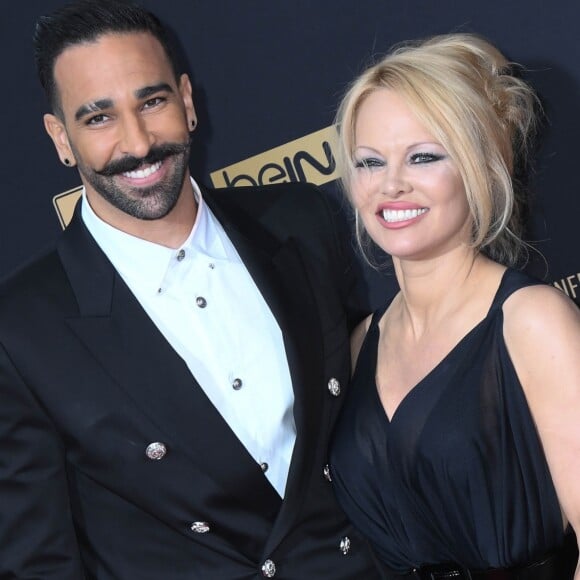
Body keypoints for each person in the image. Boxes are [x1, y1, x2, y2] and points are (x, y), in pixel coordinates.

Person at [0, 1, 380, 578]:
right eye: (98, 118)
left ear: (187, 100)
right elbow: (38, 562)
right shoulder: (21, 330)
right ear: (60, 137)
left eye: (152, 102)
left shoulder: (299, 222)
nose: (137, 142)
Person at [329, 33, 580, 579]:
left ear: (478, 168)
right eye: (370, 163)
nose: (390, 185)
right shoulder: (358, 345)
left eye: (422, 157)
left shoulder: (532, 322)